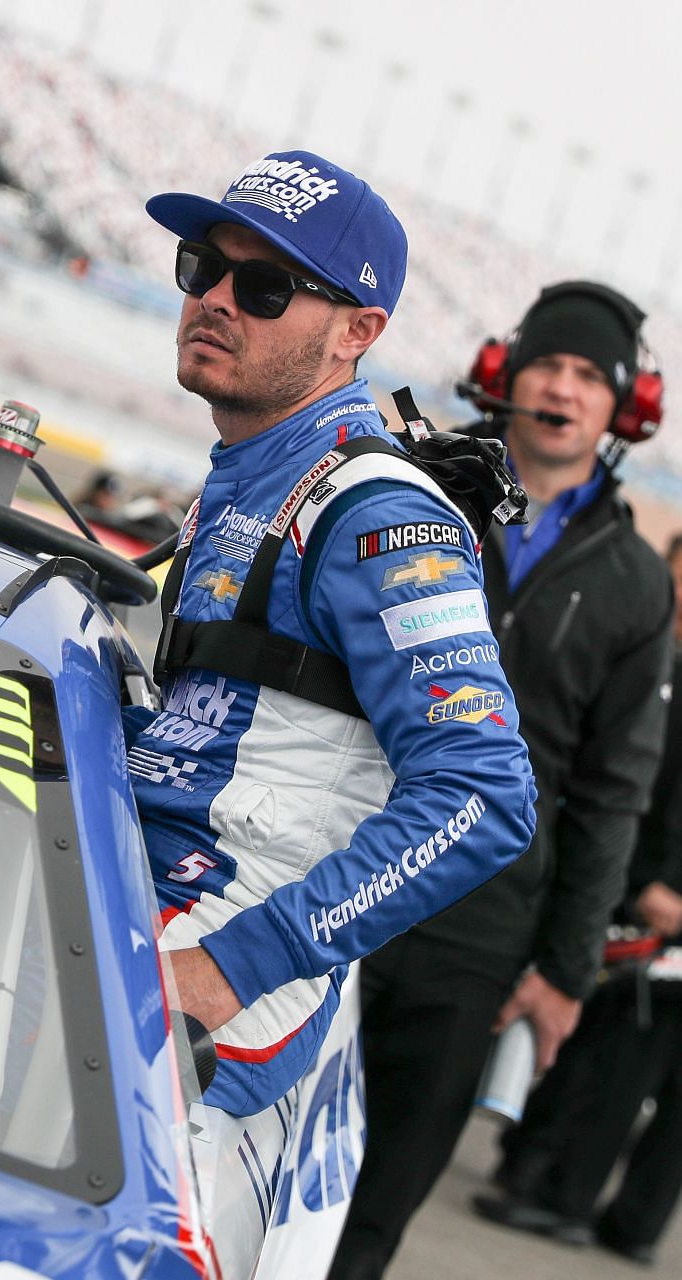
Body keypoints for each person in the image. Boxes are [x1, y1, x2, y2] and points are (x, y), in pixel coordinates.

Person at [129, 148, 536, 1124]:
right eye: (204, 267)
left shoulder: (375, 508)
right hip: (128, 872)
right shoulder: (249, 469)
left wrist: (230, 967)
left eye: (265, 285)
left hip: (213, 954)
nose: (219, 298)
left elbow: (484, 793)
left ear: (359, 331)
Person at [330, 283, 675, 1278]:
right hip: (339, 868)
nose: (563, 389)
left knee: (374, 1211)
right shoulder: (405, 489)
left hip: (481, 929)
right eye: (548, 366)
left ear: (624, 408)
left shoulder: (636, 583)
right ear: (505, 377)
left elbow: (615, 788)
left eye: (587, 376)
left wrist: (567, 970)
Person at [466, 531, 682, 1267]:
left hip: (652, 910)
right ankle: (581, 1198)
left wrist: (656, 884)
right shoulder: (653, 660)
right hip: (636, 896)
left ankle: (561, 1194)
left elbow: (638, 797)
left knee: (620, 1056)